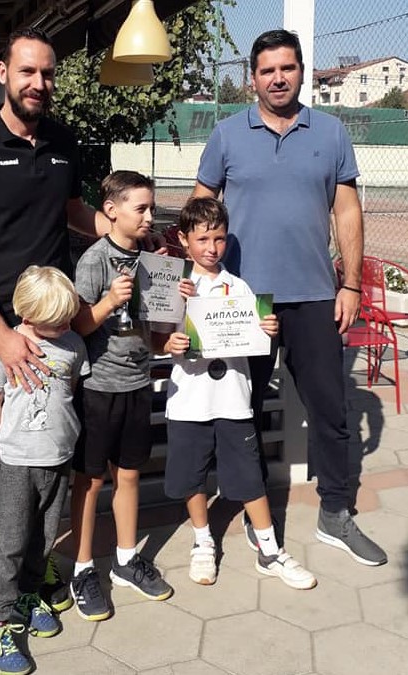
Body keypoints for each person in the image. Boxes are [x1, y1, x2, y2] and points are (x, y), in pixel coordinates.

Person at [0, 27, 113, 636]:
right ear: (3, 74)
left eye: (47, 73)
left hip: (55, 330)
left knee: (49, 452)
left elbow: (73, 213)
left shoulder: (63, 142)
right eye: (27, 71)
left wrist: (123, 231)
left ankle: (34, 569)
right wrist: (1, 335)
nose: (39, 83)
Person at [192, 29, 387, 567]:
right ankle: (255, 515)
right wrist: (199, 284)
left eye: (287, 68)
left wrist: (350, 283)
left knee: (330, 408)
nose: (278, 78)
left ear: (301, 71)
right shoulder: (227, 136)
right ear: (251, 78)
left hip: (315, 297)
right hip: (242, 301)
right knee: (242, 410)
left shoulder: (331, 132)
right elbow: (200, 211)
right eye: (267, 70)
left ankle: (335, 513)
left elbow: (346, 211)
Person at [152, 197, 316, 589]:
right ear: (183, 239)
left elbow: (253, 338)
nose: (212, 248)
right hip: (189, 401)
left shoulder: (239, 287)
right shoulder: (174, 286)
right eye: (202, 239)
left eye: (219, 239)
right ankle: (203, 541)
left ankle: (269, 550)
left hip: (233, 400)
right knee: (192, 477)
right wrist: (170, 343)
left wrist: (268, 329)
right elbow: (156, 339)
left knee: (248, 476)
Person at [69, 170, 173, 621]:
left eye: (152, 208)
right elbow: (77, 325)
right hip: (98, 387)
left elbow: (156, 325)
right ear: (111, 210)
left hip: (137, 383)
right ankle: (82, 569)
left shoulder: (151, 259)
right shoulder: (94, 260)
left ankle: (126, 560)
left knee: (128, 475)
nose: (149, 217)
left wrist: (172, 290)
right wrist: (110, 301)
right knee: (90, 481)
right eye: (141, 208)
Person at [0, 265, 89, 675]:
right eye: (56, 321)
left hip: (58, 459)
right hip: (19, 462)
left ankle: (27, 595)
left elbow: (69, 390)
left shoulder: (73, 344)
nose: (65, 326)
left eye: (67, 319)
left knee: (43, 537)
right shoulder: (6, 346)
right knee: (9, 543)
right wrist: (5, 439)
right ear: (27, 315)